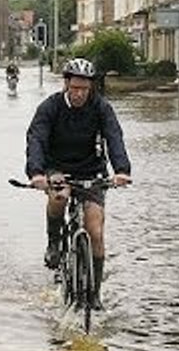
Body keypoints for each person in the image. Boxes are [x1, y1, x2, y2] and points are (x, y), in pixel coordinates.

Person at [25, 57, 131, 310]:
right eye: (74, 88)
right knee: (59, 196)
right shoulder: (50, 107)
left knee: (95, 230)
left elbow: (114, 136)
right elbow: (36, 138)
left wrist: (121, 170)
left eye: (84, 88)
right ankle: (54, 242)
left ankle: (95, 295)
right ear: (66, 84)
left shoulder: (101, 107)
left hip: (91, 170)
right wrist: (37, 173)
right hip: (57, 168)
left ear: (91, 87)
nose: (79, 93)